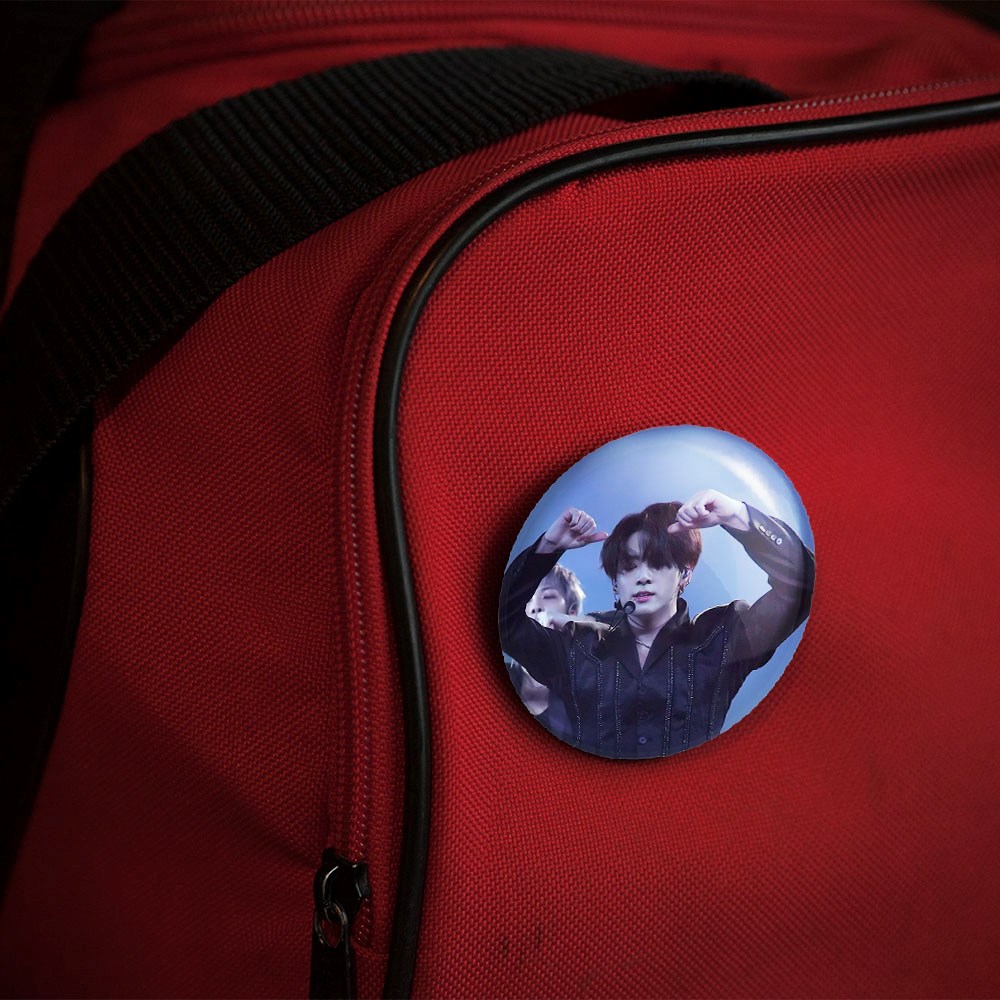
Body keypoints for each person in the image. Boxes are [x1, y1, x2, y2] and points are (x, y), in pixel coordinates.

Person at [499, 489, 815, 759]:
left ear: (685, 573)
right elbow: (505, 622)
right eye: (629, 566)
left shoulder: (724, 636)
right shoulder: (576, 645)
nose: (643, 576)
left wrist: (737, 515)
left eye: (658, 562)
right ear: (615, 582)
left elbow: (799, 585)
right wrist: (548, 547)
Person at [507, 564, 584, 741]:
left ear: (571, 614)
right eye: (527, 599)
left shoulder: (589, 694)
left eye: (548, 596)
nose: (535, 607)